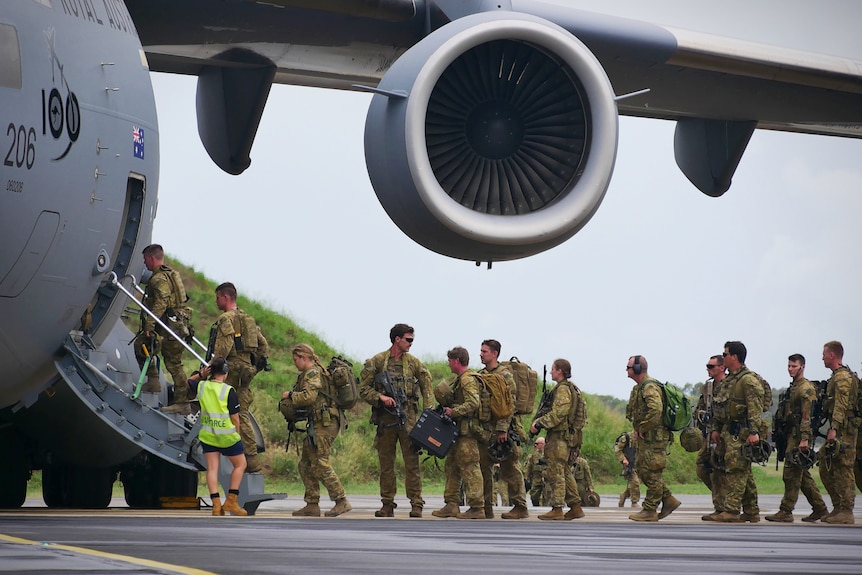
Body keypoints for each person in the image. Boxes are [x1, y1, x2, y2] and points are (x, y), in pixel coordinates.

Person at [358, 323, 433, 518]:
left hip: (408, 419)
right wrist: (380, 398)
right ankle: (387, 504)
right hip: (386, 420)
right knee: (386, 465)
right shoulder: (378, 361)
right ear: (397, 339)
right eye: (408, 339)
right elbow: (363, 389)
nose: (411, 343)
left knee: (412, 464)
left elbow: (427, 384)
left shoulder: (414, 363)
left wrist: (428, 413)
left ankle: (416, 503)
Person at [280, 344, 352, 518]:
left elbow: (309, 397)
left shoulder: (312, 373)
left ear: (303, 357)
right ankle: (312, 504)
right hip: (318, 423)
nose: (295, 363)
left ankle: (341, 500)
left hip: (325, 423)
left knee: (320, 462)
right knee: (305, 463)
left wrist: (290, 396)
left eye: (296, 360)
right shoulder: (310, 373)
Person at [208, 282, 269, 473]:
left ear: (225, 297)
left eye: (217, 297)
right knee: (241, 412)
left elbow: (223, 349)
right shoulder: (248, 319)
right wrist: (252, 368)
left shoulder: (226, 319)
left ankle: (223, 451)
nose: (216, 301)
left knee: (220, 408)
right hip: (246, 372)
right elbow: (263, 347)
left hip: (230, 371)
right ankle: (251, 460)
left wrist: (212, 368)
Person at [765, 354, 827, 523]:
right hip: (790, 434)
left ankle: (786, 511)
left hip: (799, 435)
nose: (790, 369)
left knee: (791, 473)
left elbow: (808, 415)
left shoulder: (805, 389)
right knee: (803, 476)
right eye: (789, 366)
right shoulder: (793, 388)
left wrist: (805, 439)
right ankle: (820, 508)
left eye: (794, 366)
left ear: (802, 367)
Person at [710, 341, 764, 523]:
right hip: (728, 431)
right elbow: (720, 406)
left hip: (741, 432)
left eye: (725, 354)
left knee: (736, 470)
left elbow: (755, 408)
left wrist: (754, 431)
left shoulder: (747, 380)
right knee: (743, 472)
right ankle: (751, 510)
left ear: (734, 357)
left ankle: (732, 511)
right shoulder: (730, 380)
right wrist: (716, 429)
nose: (723, 357)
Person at [135, 244, 191, 413]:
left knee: (143, 346)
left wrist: (150, 324)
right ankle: (157, 384)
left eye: (145, 260)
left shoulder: (158, 279)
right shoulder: (171, 274)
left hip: (169, 327)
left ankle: (156, 383)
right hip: (178, 325)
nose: (145, 264)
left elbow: (161, 302)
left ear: (152, 258)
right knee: (173, 362)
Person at [188, 357, 247, 516]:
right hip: (227, 437)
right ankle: (231, 501)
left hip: (208, 435)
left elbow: (187, 382)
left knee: (212, 469)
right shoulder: (228, 391)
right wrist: (237, 434)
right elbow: (235, 418)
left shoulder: (202, 386)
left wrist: (201, 374)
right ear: (226, 373)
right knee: (240, 465)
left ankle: (216, 505)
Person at [431, 347, 485, 519]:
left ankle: (477, 507)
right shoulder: (460, 379)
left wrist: (453, 412)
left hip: (467, 433)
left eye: (449, 360)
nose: (448, 364)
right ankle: (451, 504)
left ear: (456, 361)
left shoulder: (467, 379)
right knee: (452, 466)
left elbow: (473, 403)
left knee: (470, 468)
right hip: (458, 433)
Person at [529, 358, 586, 521]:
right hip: (565, 438)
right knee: (565, 473)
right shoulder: (570, 388)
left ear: (560, 371)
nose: (552, 372)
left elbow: (559, 414)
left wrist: (539, 423)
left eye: (553, 369)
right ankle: (575, 506)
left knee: (556, 473)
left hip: (559, 439)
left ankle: (557, 508)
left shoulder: (562, 389)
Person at [625, 355, 680, 522]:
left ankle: (650, 510)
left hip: (654, 438)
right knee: (643, 469)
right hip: (647, 438)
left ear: (637, 369)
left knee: (652, 472)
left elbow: (655, 410)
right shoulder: (640, 387)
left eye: (628, 367)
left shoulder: (649, 387)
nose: (626, 370)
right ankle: (668, 500)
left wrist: (643, 427)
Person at [479, 339, 529, 519]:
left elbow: (510, 403)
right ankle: (486, 507)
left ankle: (520, 506)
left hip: (503, 430)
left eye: (485, 351)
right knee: (484, 467)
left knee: (510, 468)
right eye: (481, 351)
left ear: (494, 354)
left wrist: (502, 429)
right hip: (486, 429)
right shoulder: (482, 374)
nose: (481, 354)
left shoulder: (505, 375)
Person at [818, 341, 858, 524]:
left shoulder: (842, 377)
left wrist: (834, 428)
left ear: (832, 355)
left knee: (844, 467)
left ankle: (847, 511)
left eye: (824, 354)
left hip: (845, 430)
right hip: (840, 428)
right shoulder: (836, 376)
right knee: (826, 461)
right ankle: (838, 507)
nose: (822, 357)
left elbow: (841, 404)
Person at [696, 355, 731, 521]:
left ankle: (723, 507)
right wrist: (701, 416)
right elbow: (700, 408)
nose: (708, 369)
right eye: (707, 366)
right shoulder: (708, 388)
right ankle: (722, 502)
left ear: (722, 367)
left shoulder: (728, 386)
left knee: (720, 470)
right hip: (709, 434)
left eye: (711, 366)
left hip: (724, 435)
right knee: (702, 466)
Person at [613, 430, 640, 507]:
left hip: (638, 463)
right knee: (635, 482)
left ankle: (624, 495)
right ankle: (634, 502)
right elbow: (617, 449)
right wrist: (623, 459)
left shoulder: (643, 438)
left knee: (633, 484)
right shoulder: (627, 438)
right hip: (628, 463)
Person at [524, 437, 548, 506]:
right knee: (534, 496)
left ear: (543, 444)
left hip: (546, 480)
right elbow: (529, 467)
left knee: (544, 498)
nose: (535, 445)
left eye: (537, 444)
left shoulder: (549, 454)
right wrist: (527, 478)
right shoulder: (533, 455)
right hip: (536, 479)